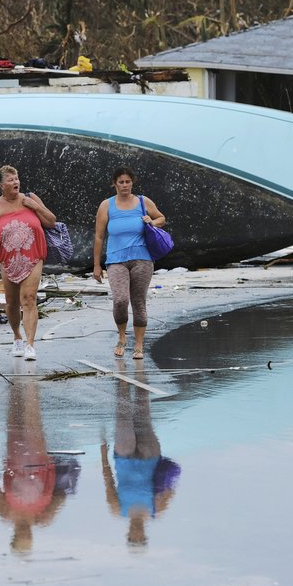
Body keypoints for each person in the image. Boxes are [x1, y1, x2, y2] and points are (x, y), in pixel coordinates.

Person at [0, 360, 75, 552]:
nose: (26, 534)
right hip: (38, 461)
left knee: (15, 420)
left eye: (23, 538)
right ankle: (29, 383)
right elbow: (62, 494)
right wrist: (52, 512)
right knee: (30, 420)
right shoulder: (42, 518)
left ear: (16, 537)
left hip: (16, 459)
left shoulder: (7, 514)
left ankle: (21, 381)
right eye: (28, 538)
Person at [0, 165, 56, 361]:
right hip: (7, 259)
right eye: (10, 180)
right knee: (12, 302)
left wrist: (35, 206)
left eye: (17, 178)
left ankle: (30, 344)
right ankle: (17, 337)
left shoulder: (31, 199)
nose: (15, 182)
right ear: (1, 185)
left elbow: (51, 221)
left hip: (33, 256)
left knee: (29, 298)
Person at [100, 359, 180, 548]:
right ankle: (139, 367)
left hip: (124, 457)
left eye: (134, 538)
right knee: (143, 406)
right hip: (149, 456)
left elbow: (108, 480)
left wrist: (103, 453)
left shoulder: (117, 509)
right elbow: (171, 485)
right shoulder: (157, 510)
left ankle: (122, 373)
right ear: (144, 535)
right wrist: (163, 492)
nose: (137, 534)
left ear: (128, 535)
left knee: (123, 412)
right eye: (140, 538)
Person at [92, 166, 166, 359]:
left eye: (128, 182)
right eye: (121, 182)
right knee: (120, 300)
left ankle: (139, 345)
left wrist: (151, 221)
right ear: (114, 184)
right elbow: (99, 236)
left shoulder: (143, 201)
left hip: (142, 259)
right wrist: (97, 265)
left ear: (132, 182)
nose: (124, 185)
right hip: (116, 260)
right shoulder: (106, 205)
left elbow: (161, 218)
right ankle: (122, 337)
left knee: (138, 302)